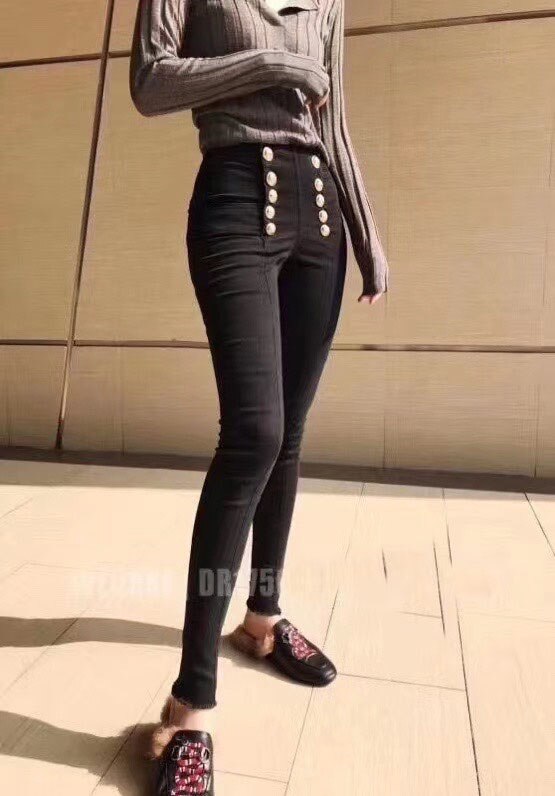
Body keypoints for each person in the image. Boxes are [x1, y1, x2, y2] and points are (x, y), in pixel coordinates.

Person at [129, 0, 389, 792]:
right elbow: (150, 82)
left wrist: (366, 233)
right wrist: (269, 64)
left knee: (290, 432)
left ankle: (262, 620)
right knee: (253, 435)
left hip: (321, 219)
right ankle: (187, 707)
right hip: (235, 199)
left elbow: (333, 116)